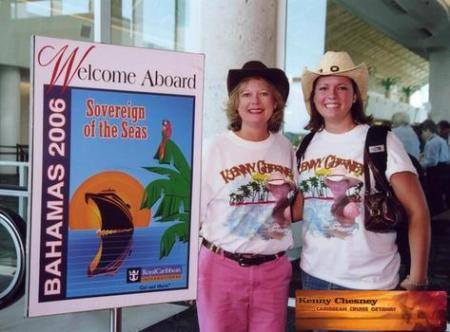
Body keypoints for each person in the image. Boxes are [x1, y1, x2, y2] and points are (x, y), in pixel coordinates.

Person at [292, 51, 430, 294]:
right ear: (313, 96)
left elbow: (418, 211)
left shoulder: (380, 140)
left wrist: (417, 277)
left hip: (371, 283)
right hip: (314, 277)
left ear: (355, 95)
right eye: (323, 87)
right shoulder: (308, 145)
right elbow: (301, 207)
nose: (331, 95)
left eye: (342, 87)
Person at [197, 60, 297, 332]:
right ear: (236, 103)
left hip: (272, 271)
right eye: (246, 94)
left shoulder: (285, 147)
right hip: (221, 268)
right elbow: (194, 213)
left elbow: (291, 202)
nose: (255, 101)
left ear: (275, 103)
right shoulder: (213, 147)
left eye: (264, 93)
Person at [420, 119, 450, 215]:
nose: (422, 135)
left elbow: (432, 161)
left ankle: (437, 217)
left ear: (427, 130)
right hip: (445, 169)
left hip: (436, 172)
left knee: (435, 195)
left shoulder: (431, 143)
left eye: (423, 132)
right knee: (444, 194)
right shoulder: (440, 140)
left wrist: (420, 164)